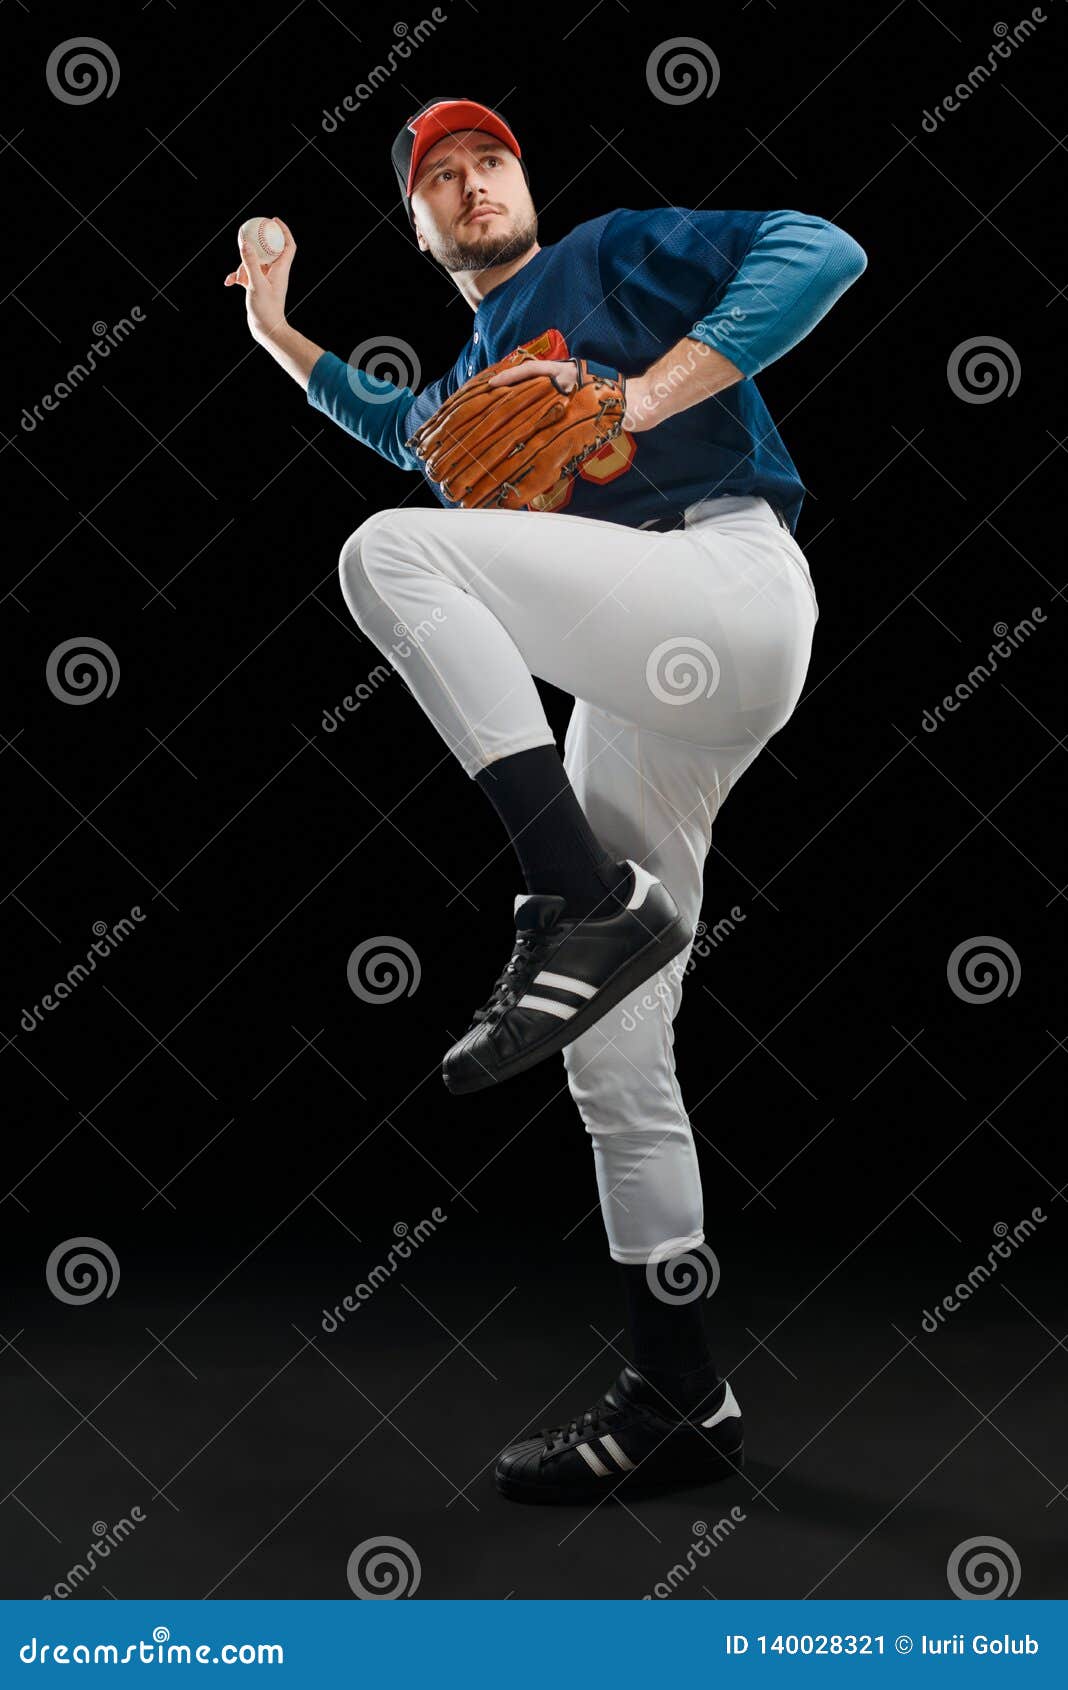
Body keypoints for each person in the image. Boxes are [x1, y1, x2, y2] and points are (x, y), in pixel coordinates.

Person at [224, 95, 867, 1504]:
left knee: (394, 558)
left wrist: (642, 394)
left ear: (525, 180)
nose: (469, 184)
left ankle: (576, 894)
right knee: (614, 1047)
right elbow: (411, 432)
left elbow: (821, 250)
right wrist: (279, 331)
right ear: (415, 223)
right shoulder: (469, 373)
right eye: (437, 178)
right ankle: (680, 1394)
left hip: (730, 583)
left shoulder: (612, 256)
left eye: (488, 160)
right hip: (641, 674)